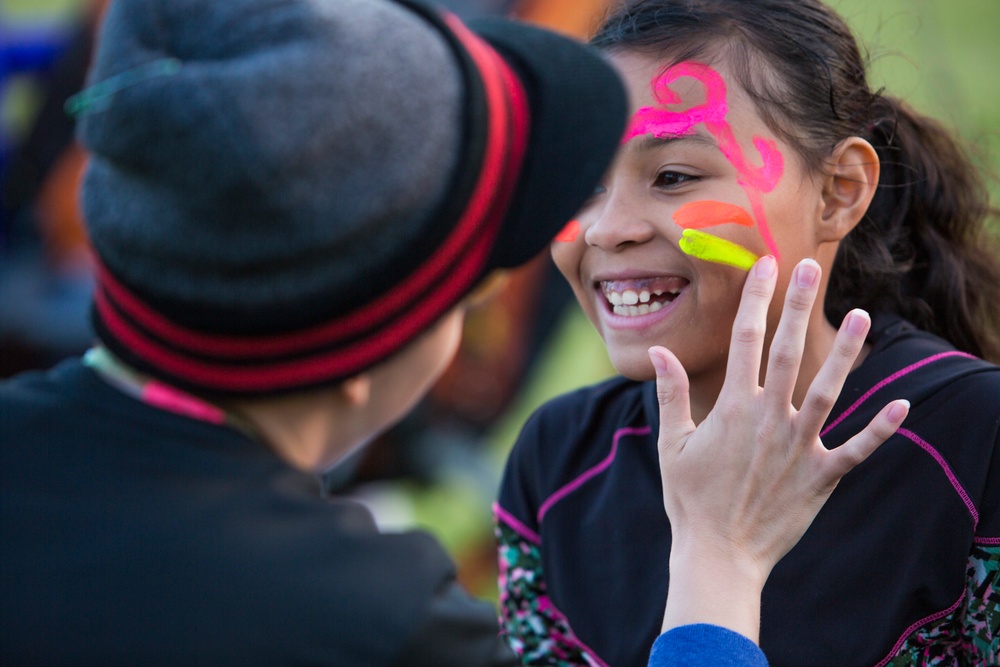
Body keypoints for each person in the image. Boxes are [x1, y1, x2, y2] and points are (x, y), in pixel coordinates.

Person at [0, 0, 900, 664]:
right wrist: (720, 559)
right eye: (472, 282)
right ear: (369, 357)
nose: (606, 230)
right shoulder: (374, 625)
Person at [494, 0, 1000, 665]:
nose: (607, 228)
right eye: (584, 184)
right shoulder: (557, 463)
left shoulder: (977, 439)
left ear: (840, 192)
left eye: (672, 176)